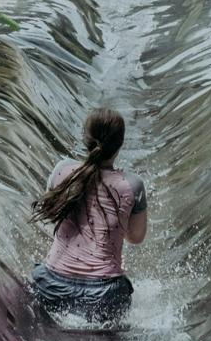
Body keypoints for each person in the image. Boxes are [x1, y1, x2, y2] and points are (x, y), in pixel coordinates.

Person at [31, 106, 147, 328]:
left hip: (51, 285)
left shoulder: (61, 170)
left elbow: (53, 215)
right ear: (120, 144)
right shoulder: (133, 185)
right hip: (104, 294)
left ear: (85, 138)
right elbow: (136, 237)